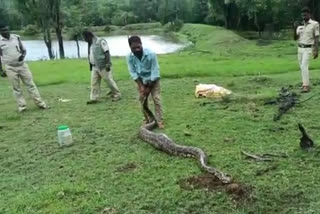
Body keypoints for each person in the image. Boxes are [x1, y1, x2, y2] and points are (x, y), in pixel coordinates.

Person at [0, 24, 48, 112]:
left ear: (9, 29)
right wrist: (1, 70)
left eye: (6, 30)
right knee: (16, 88)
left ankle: (41, 104)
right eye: (3, 30)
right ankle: (22, 106)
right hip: (10, 67)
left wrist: (23, 56)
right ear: (0, 31)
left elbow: (24, 50)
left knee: (31, 85)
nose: (5, 32)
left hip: (22, 66)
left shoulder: (16, 38)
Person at [126, 36, 164, 129]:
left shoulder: (151, 54)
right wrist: (141, 87)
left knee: (156, 99)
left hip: (153, 79)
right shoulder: (129, 57)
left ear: (141, 44)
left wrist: (149, 88)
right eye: (133, 48)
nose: (136, 49)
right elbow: (133, 72)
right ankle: (147, 119)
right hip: (141, 80)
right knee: (142, 100)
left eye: (138, 47)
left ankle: (159, 120)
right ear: (130, 47)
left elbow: (155, 71)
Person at [82, 30, 121, 103]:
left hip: (103, 66)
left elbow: (107, 52)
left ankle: (117, 94)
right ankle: (94, 98)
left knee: (108, 80)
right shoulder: (90, 44)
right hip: (94, 66)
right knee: (94, 83)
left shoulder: (100, 41)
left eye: (85, 38)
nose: (84, 40)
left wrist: (108, 63)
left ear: (89, 36)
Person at [294, 7, 319, 93]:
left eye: (305, 15)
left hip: (308, 49)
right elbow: (295, 38)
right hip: (300, 48)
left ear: (309, 14)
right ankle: (304, 83)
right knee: (302, 66)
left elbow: (316, 37)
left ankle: (306, 86)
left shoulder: (314, 24)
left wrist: (316, 50)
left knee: (304, 66)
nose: (304, 17)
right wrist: (294, 28)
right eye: (302, 15)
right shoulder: (300, 25)